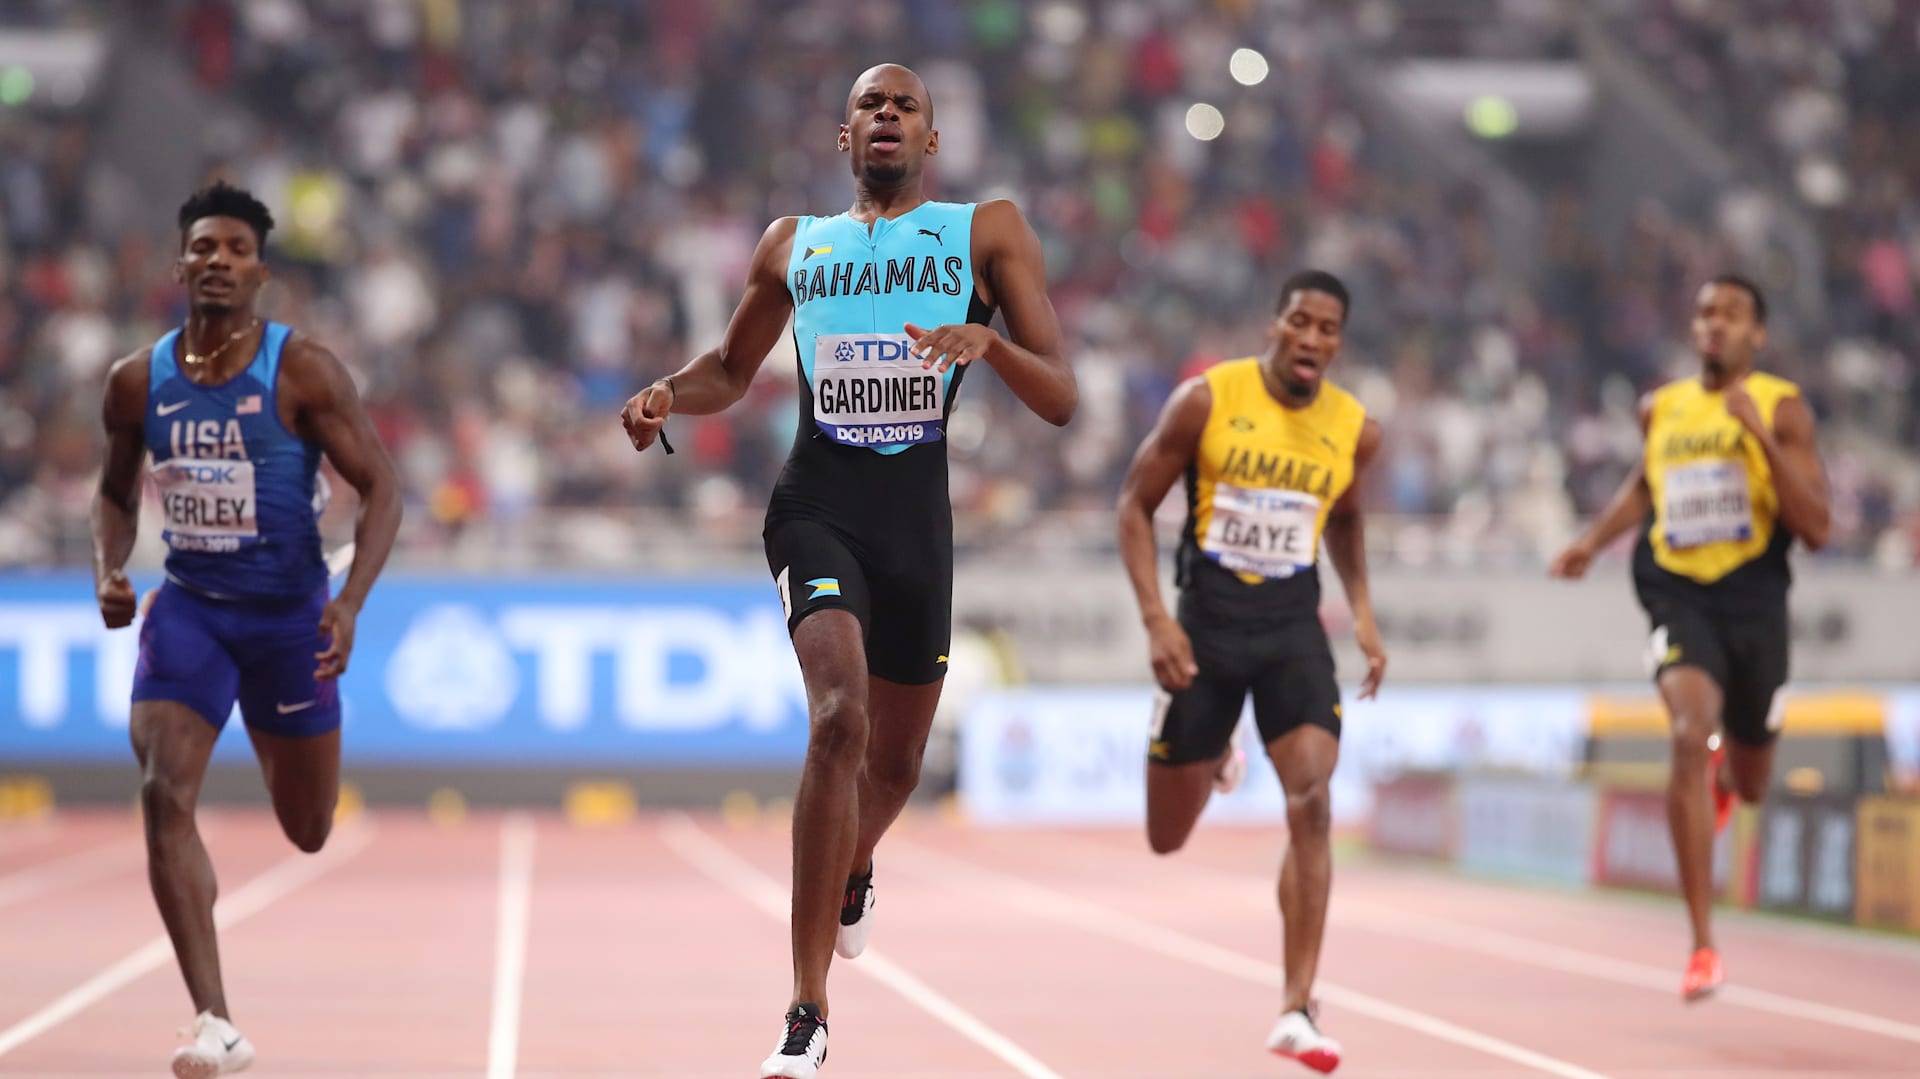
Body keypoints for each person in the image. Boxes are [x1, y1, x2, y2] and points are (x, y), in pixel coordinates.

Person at [620, 63, 1075, 1078]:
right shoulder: (796, 243)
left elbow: (1062, 398)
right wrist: (664, 391)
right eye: (870, 104)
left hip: (917, 522)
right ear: (842, 136)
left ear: (931, 140)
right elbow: (731, 373)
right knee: (838, 720)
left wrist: (987, 348)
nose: (886, 116)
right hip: (815, 507)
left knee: (899, 763)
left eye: (905, 105)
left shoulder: (985, 232)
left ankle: (855, 864)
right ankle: (806, 1007)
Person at [91, 181, 402, 1077]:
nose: (217, 261)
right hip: (189, 609)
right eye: (202, 247)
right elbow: (113, 493)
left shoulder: (302, 369)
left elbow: (383, 487)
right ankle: (214, 1021)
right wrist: (111, 569)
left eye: (235, 249)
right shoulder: (135, 380)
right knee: (162, 789)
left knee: (307, 825)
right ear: (180, 264)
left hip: (288, 616)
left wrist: (348, 605)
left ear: (260, 270)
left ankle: (216, 1001)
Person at [1115, 270, 1385, 1074]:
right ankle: (1214, 749)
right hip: (1206, 629)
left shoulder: (1354, 428)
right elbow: (1133, 504)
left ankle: (1297, 1006)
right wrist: (1157, 620)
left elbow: (1345, 515)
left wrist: (1363, 610)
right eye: (1300, 320)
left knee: (1312, 799)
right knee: (1168, 837)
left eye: (1328, 328)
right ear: (1275, 324)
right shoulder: (1207, 400)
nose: (1312, 338)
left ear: (1338, 343)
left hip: (1292, 630)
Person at [1551, 275, 1828, 1001]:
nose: (1714, 325)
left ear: (1756, 335)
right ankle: (1702, 945)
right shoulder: (1661, 406)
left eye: (1732, 315)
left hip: (1755, 596)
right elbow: (1647, 485)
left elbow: (1819, 527)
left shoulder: (1783, 406)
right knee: (1686, 731)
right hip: (1677, 589)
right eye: (1706, 313)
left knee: (1755, 780)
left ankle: (1730, 781)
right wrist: (1592, 541)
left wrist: (1758, 435)